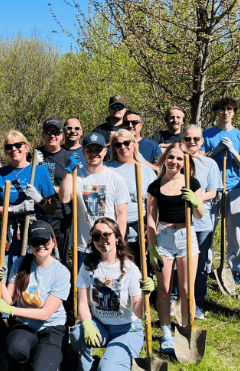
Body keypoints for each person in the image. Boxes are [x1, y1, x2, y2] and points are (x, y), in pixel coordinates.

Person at [70, 218, 154, 371]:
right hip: (100, 325)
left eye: (107, 235)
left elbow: (138, 313)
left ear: (117, 237)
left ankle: (120, 361)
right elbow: (83, 304)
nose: (102, 240)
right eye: (97, 236)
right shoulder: (88, 266)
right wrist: (87, 324)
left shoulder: (130, 269)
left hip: (127, 329)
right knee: (77, 332)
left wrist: (147, 295)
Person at [0, 221, 70, 371]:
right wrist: (0, 282)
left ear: (53, 241)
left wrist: (11, 311)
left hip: (52, 327)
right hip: (25, 325)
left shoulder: (62, 273)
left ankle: (51, 355)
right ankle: (24, 360)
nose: (41, 246)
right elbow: (9, 300)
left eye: (45, 241)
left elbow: (45, 314)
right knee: (15, 349)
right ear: (29, 245)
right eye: (35, 242)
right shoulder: (21, 263)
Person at [146, 142, 204, 353]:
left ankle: (186, 328)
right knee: (164, 289)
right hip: (164, 239)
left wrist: (195, 203)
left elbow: (200, 215)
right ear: (164, 159)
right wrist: (151, 247)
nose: (174, 162)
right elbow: (151, 220)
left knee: (187, 289)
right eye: (171, 157)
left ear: (185, 162)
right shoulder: (155, 185)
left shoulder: (192, 183)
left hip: (187, 237)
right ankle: (167, 332)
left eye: (179, 159)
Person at [202, 97, 240, 291]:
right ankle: (205, 271)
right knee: (208, 229)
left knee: (234, 232)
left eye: (230, 109)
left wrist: (232, 151)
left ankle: (234, 272)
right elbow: (199, 159)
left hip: (233, 188)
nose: (226, 112)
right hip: (212, 188)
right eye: (222, 109)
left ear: (234, 112)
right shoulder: (206, 135)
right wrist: (215, 151)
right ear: (216, 112)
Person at [58, 133, 129, 271]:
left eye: (98, 149)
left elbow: (121, 215)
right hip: (84, 246)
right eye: (89, 150)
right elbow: (65, 198)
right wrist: (68, 172)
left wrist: (117, 242)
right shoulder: (76, 177)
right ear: (83, 152)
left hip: (108, 245)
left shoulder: (115, 178)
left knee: (105, 288)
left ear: (105, 151)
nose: (94, 153)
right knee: (84, 289)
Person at [0, 130, 57, 271]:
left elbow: (52, 209)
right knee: (2, 274)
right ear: (6, 151)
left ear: (26, 147)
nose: (14, 149)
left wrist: (40, 200)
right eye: (9, 147)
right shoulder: (0, 174)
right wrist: (16, 209)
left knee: (28, 277)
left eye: (18, 145)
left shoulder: (39, 172)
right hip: (6, 234)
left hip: (32, 233)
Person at [178, 125, 220, 318]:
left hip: (201, 223)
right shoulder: (175, 161)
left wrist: (196, 198)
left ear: (202, 141)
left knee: (201, 265)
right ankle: (176, 299)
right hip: (177, 222)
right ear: (182, 140)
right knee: (179, 262)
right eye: (188, 139)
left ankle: (198, 302)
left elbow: (214, 191)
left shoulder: (209, 164)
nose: (192, 142)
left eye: (196, 139)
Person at [106, 129, 157, 263]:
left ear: (134, 144)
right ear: (113, 148)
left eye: (126, 143)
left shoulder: (145, 170)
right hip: (111, 228)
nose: (123, 147)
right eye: (118, 145)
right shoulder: (107, 169)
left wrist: (151, 226)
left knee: (138, 268)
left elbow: (153, 203)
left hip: (139, 227)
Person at [37, 117, 74, 263]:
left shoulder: (68, 157)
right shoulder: (34, 155)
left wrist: (49, 188)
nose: (52, 135)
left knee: (60, 259)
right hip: (38, 214)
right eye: (48, 131)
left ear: (62, 136)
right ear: (43, 135)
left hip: (60, 215)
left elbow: (71, 191)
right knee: (39, 257)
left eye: (56, 132)